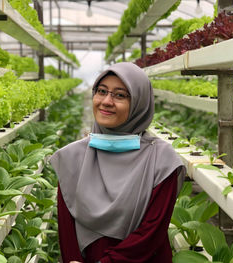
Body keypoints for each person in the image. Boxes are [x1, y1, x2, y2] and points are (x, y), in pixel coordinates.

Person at [49, 62, 186, 263]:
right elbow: (67, 231)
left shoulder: (161, 160)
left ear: (140, 103)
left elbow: (150, 234)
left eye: (120, 95)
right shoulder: (73, 157)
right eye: (101, 91)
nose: (106, 101)